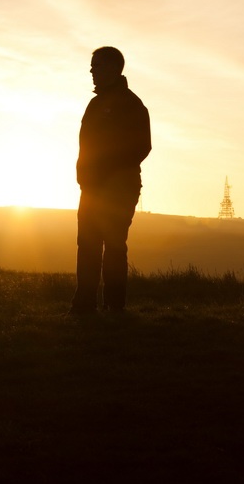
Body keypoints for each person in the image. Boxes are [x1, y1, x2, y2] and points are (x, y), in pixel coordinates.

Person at [69, 46, 151, 317]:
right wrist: (84, 176)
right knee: (88, 244)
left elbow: (141, 147)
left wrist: (108, 174)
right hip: (91, 188)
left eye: (97, 65)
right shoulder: (96, 104)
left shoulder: (131, 104)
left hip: (118, 188)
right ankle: (84, 306)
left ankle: (114, 308)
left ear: (114, 68)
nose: (91, 71)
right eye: (92, 66)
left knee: (114, 245)